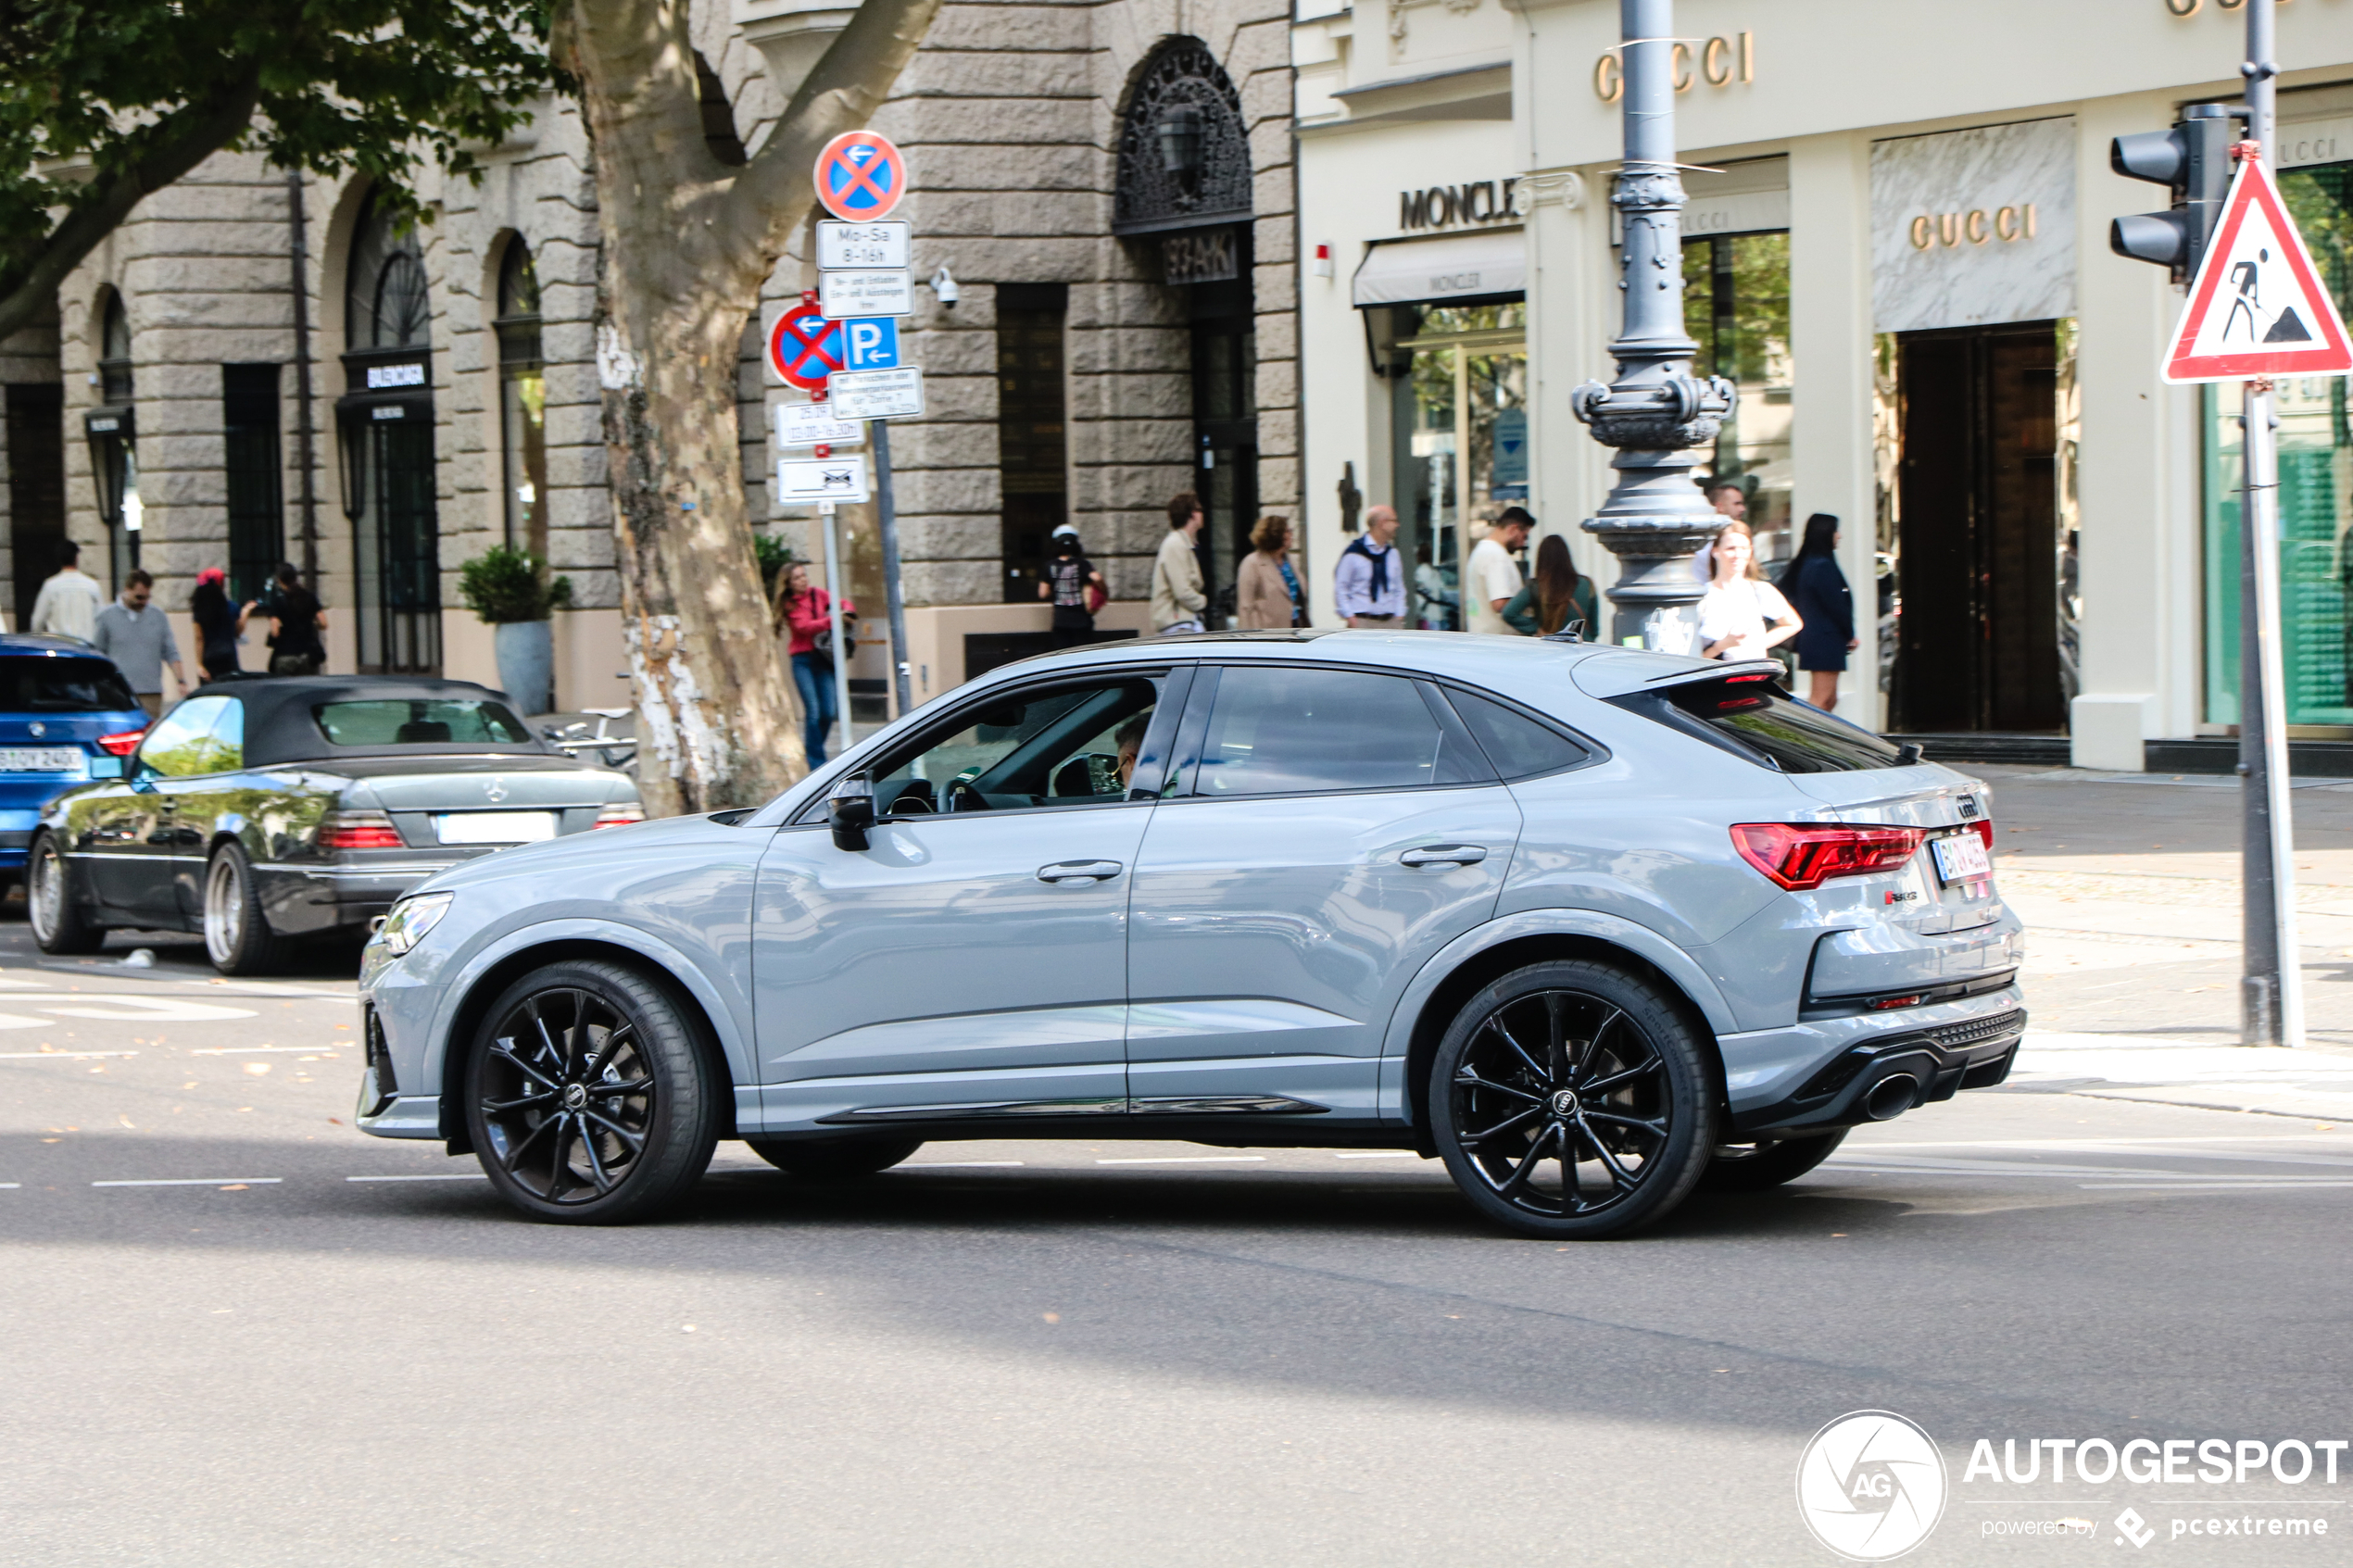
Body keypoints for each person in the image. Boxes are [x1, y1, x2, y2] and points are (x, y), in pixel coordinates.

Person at [1780, 512, 1859, 710]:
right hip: (1825, 640)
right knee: (1821, 699)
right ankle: (1804, 738)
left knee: (1829, 699)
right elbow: (1836, 605)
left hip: (1820, 639)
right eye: (1835, 531)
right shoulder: (1821, 566)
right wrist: (1850, 633)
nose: (1839, 536)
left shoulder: (1811, 564)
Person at [782, 561, 854, 767]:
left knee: (828, 710)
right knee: (813, 711)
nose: (802, 580)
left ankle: (813, 750)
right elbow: (804, 627)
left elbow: (844, 604)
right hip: (802, 661)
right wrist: (834, 620)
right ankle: (816, 762)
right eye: (796, 578)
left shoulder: (817, 594)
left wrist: (847, 612)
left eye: (803, 575)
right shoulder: (789, 604)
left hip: (824, 658)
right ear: (788, 583)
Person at [1696, 521, 1802, 661]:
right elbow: (1689, 660)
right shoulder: (1703, 596)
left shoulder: (1760, 590)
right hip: (1715, 680)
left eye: (1744, 548)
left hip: (1753, 678)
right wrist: (1719, 647)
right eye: (1730, 548)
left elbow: (1793, 624)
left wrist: (1758, 644)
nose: (1738, 554)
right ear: (1715, 551)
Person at [91, 569, 189, 719]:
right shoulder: (106, 617)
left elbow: (170, 651)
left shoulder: (158, 617)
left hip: (151, 691)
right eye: (139, 597)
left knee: (149, 735)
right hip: (118, 692)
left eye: (147, 597)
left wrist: (181, 681)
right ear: (127, 590)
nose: (143, 601)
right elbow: (98, 654)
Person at [1503, 534, 1601, 639]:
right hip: (1583, 646)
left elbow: (1509, 613)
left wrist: (1536, 629)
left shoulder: (1536, 586)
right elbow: (1594, 629)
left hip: (1552, 647)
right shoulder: (1586, 584)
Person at [1465, 506, 1531, 635]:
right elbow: (1500, 603)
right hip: (1501, 642)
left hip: (1483, 638)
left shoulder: (1481, 550)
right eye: (1524, 536)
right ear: (1513, 529)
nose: (1523, 543)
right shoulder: (1496, 556)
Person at [1335, 505, 1405, 627]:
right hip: (1362, 621)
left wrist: (1399, 615)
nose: (1397, 525)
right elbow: (1341, 587)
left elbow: (1399, 588)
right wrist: (1350, 617)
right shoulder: (1354, 553)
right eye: (1394, 521)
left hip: (1390, 622)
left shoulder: (1392, 554)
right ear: (1382, 523)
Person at [1038, 524, 1105, 649]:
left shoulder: (1050, 566)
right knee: (1083, 655)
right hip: (1082, 619)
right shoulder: (1082, 563)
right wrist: (1104, 591)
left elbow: (1043, 594)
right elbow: (1097, 578)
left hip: (1061, 620)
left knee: (1063, 656)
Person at [1151, 491, 1207, 634]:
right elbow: (1182, 591)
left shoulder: (1184, 543)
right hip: (1177, 624)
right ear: (1192, 514)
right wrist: (1203, 603)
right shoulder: (1176, 544)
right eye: (1199, 510)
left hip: (1183, 622)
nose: (1202, 514)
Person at [1236, 513, 1304, 629]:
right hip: (1269, 634)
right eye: (1288, 531)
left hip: (1295, 628)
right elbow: (1245, 607)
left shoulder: (1289, 561)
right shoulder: (1252, 563)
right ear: (1277, 535)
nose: (1291, 534)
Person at [259, 562, 327, 676]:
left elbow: (275, 632)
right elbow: (323, 623)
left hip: (285, 654)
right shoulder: (309, 597)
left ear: (280, 580)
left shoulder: (278, 600)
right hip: (308, 654)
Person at [28, 539, 103, 641]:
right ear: (77, 558)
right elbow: (102, 618)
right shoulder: (92, 585)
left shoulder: (51, 586)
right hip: (87, 647)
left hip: (61, 647)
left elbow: (37, 621)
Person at [188, 568, 251, 683]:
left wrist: (199, 664)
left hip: (209, 658)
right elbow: (237, 631)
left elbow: (199, 639)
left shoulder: (200, 611)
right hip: (229, 656)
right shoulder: (231, 607)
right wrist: (245, 612)